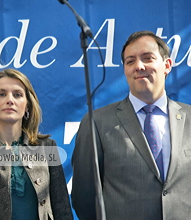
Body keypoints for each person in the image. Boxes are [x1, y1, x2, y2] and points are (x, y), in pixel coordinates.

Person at [71, 30, 191, 219]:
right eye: (130, 61)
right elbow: (85, 198)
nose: (139, 66)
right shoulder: (97, 123)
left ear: (167, 65)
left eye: (147, 58)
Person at [0, 69, 73, 220]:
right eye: (1, 94)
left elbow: (62, 208)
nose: (10, 100)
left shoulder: (47, 147)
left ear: (27, 106)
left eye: (17, 95)